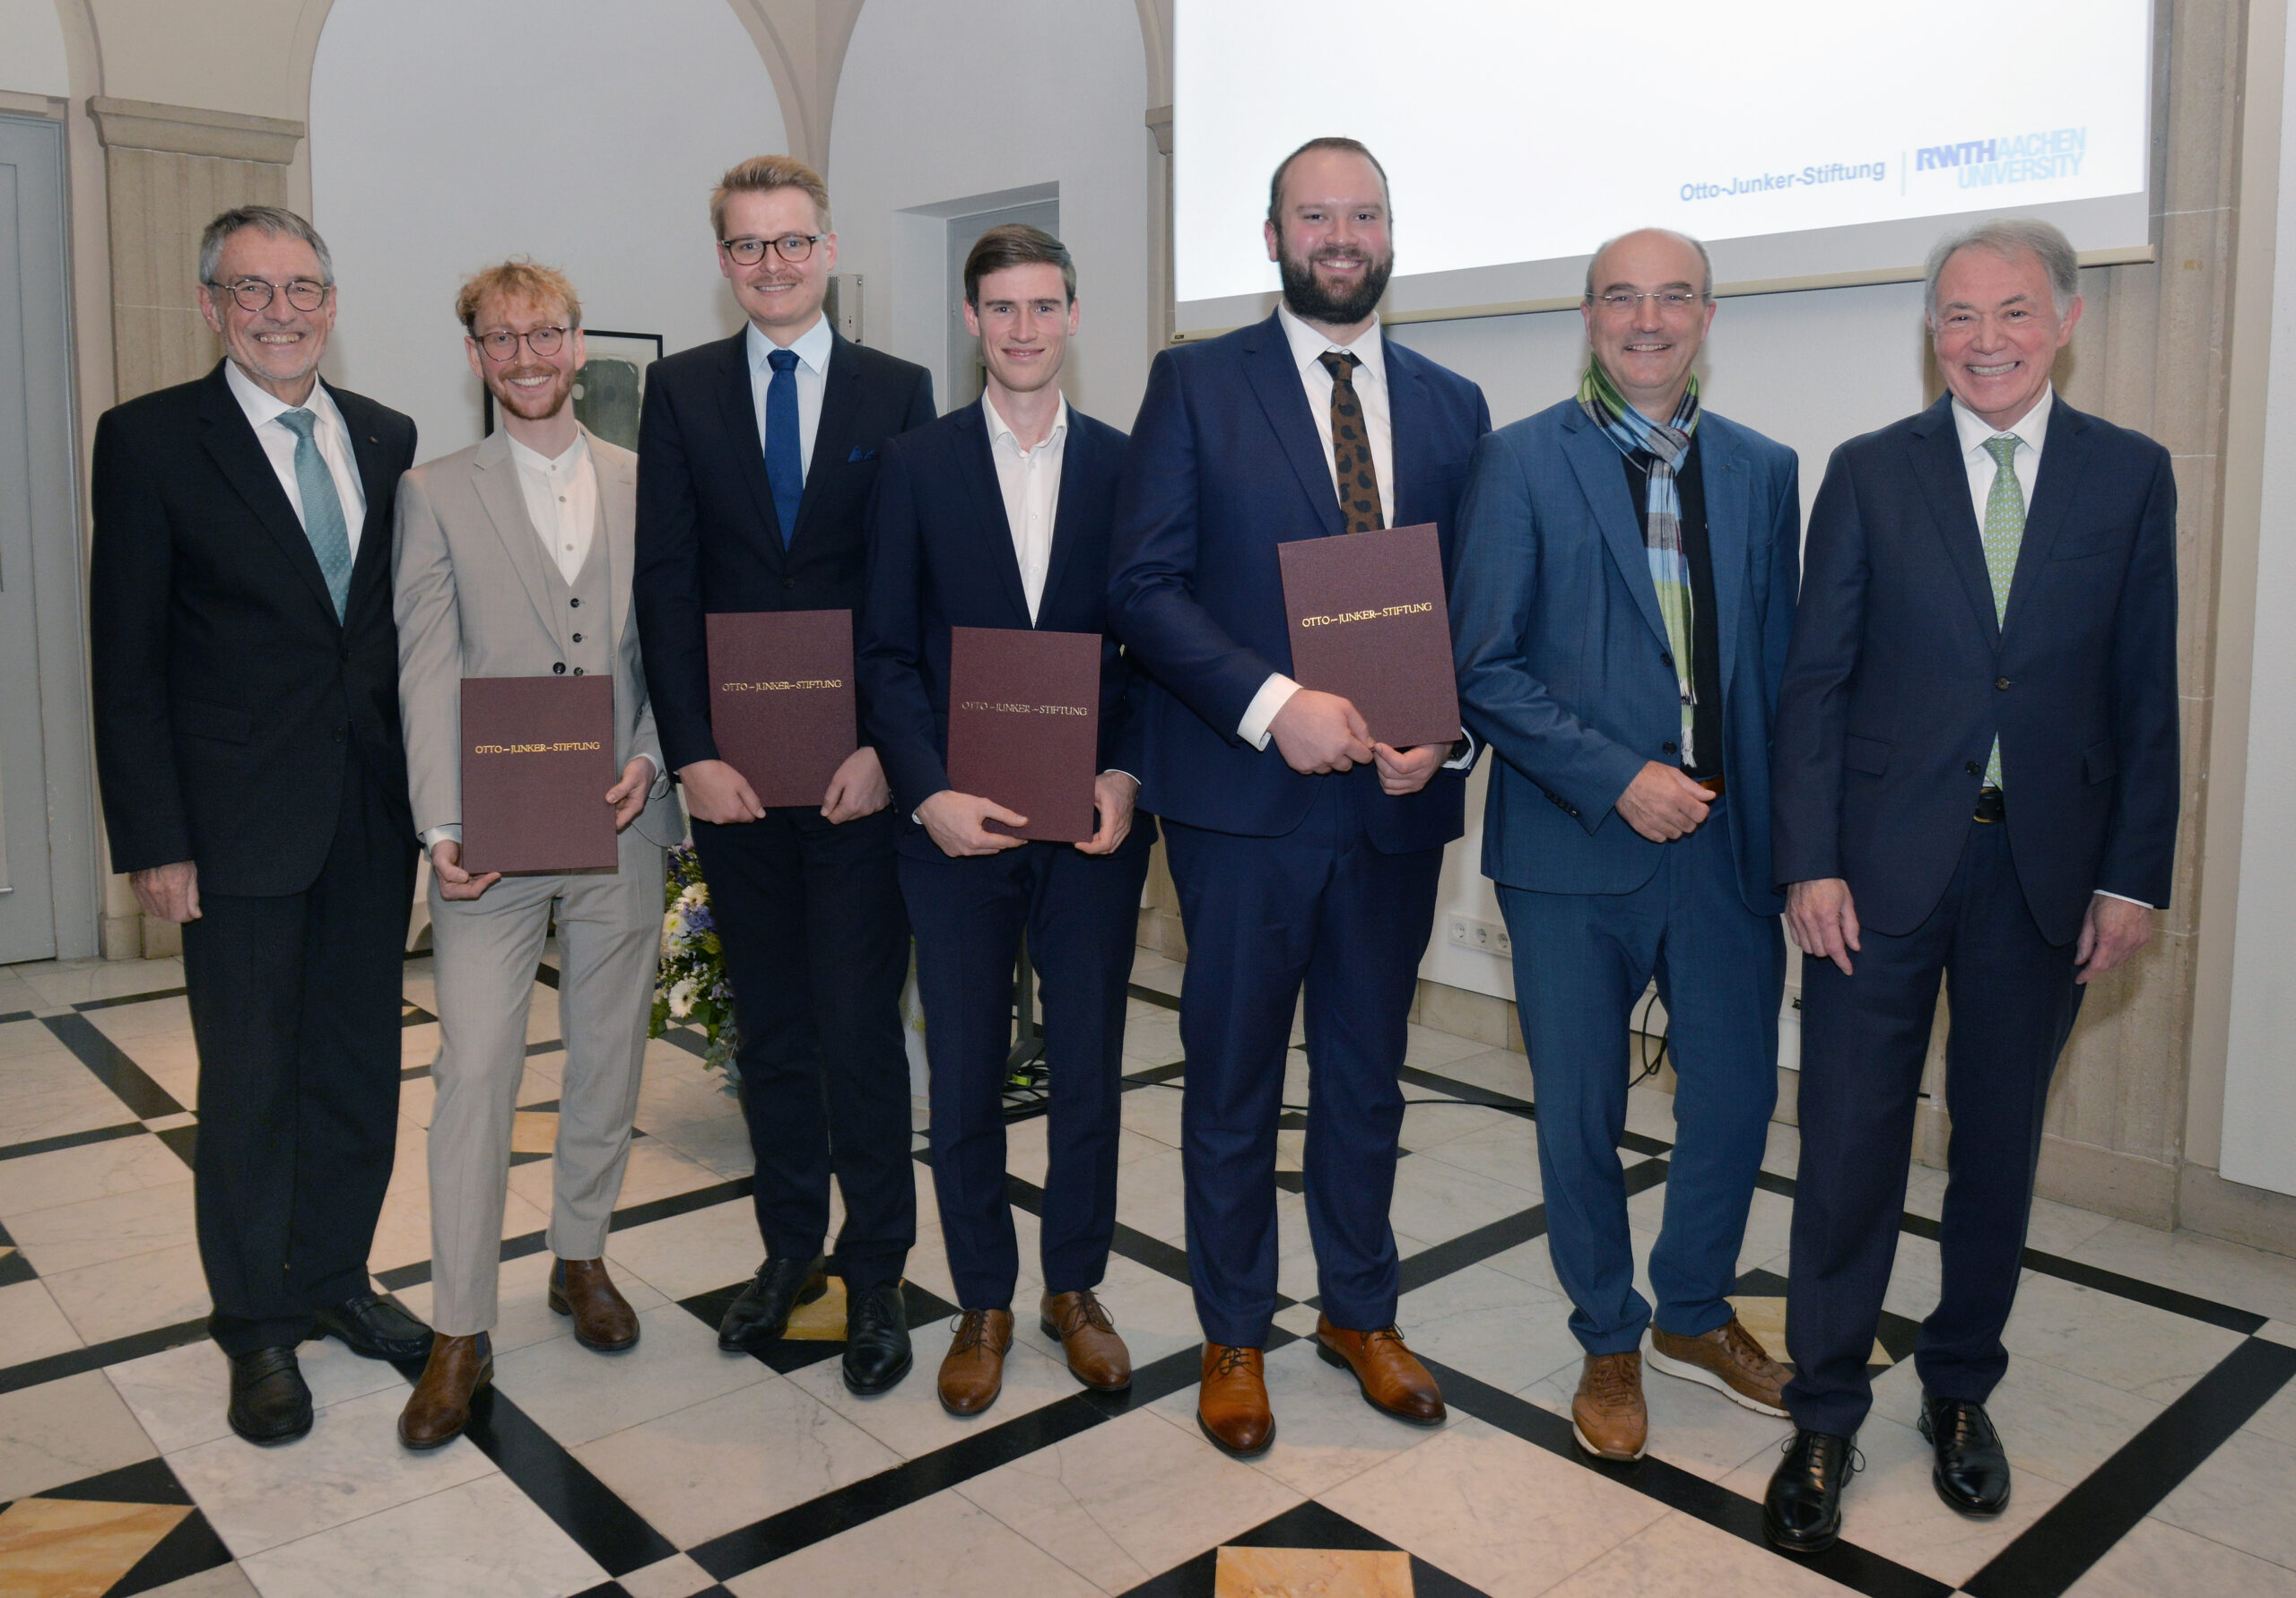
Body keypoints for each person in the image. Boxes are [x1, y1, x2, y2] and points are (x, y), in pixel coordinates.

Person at [1764, 217, 2179, 1552]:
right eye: (1957, 315)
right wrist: (1811, 860)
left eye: (2010, 313)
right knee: (1845, 1153)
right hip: (1873, 878)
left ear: (2064, 322)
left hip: (2044, 875)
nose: (1983, 339)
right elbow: (1815, 683)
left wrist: (2133, 874)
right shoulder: (1873, 471)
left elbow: (2147, 694)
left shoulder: (2132, 476)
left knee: (1996, 1152)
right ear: (1928, 330)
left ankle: (1958, 1391)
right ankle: (1823, 1406)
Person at [1108, 136, 1490, 1456]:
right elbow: (1142, 587)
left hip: (1393, 807)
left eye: (1364, 213)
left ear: (1393, 231)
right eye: (1315, 214)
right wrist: (1279, 706)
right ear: (1271, 237)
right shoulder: (1196, 383)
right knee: (1230, 1081)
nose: (1343, 235)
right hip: (1241, 804)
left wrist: (1434, 741)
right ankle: (1234, 1331)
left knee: (1371, 1076)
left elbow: (1472, 618)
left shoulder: (1454, 404)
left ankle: (1360, 1311)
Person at [1449, 228, 1800, 1461]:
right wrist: (1618, 777)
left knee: (1738, 1098)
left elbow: (1776, 677)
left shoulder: (1765, 469)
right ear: (1589, 317)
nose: (1647, 318)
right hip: (1570, 850)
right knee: (1578, 1113)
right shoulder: (1517, 462)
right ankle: (1608, 1330)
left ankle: (1694, 1310)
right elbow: (1480, 667)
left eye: (1673, 296)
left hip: (1725, 848)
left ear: (1707, 315)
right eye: (1620, 297)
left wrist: (1796, 844)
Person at [89, 205, 427, 1445]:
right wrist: (152, 836)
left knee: (356, 1067)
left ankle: (335, 1277)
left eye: (301, 288)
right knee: (247, 1079)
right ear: (210, 305)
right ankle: (254, 1325)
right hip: (231, 830)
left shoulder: (389, 436)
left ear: (333, 302)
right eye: (252, 290)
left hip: (370, 820)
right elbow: (124, 659)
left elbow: (400, 638)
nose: (280, 310)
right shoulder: (148, 441)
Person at [632, 155, 935, 1394]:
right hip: (739, 785)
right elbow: (667, 582)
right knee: (772, 1033)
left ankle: (877, 1277)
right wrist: (691, 754)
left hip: (860, 778)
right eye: (748, 246)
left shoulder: (897, 390)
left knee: (863, 1030)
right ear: (723, 260)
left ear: (827, 247)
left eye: (791, 243)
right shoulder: (682, 392)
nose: (772, 265)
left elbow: (914, 584)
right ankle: (787, 1251)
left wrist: (887, 749)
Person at [858, 224, 1152, 1417]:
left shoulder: (1131, 468)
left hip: (1089, 829)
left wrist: (1128, 776)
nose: (1024, 328)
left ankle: (1073, 1287)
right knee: (968, 1071)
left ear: (1074, 315)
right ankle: (983, 1294)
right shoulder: (914, 466)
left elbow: (1153, 648)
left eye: (1044, 306)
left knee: (1088, 1068)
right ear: (972, 322)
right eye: (1002, 308)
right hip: (956, 830)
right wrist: (927, 789)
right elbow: (883, 652)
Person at [391, 261, 685, 1447]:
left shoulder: (644, 480)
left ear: (577, 347)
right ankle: (458, 1323)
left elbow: (675, 641)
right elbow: (425, 662)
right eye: (502, 338)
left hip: (621, 820)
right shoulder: (433, 491)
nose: (527, 355)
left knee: (610, 1054)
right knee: (475, 1072)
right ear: (475, 354)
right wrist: (441, 823)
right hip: (492, 840)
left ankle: (579, 1254)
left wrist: (655, 754)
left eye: (546, 334)